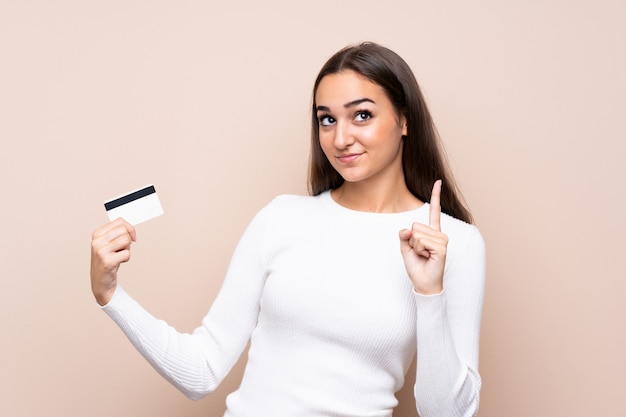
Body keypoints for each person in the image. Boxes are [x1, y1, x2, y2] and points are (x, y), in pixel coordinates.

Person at [90, 42, 486, 417]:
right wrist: (109, 294)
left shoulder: (455, 244)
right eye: (327, 119)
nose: (341, 138)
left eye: (361, 115)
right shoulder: (281, 219)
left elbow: (445, 413)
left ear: (404, 120)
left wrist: (429, 293)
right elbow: (201, 370)